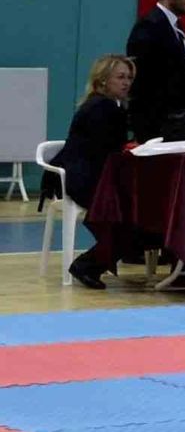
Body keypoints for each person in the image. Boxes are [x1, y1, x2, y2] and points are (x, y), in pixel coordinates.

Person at [46, 55, 135, 290]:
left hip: (94, 174)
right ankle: (88, 264)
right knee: (136, 211)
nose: (126, 82)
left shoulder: (108, 105)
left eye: (129, 78)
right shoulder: (101, 107)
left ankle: (93, 262)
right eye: (120, 77)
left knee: (137, 207)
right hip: (85, 179)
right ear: (103, 80)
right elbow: (105, 151)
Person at [126, 0, 185, 143]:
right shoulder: (149, 26)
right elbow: (144, 80)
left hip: (178, 121)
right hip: (157, 124)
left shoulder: (175, 26)